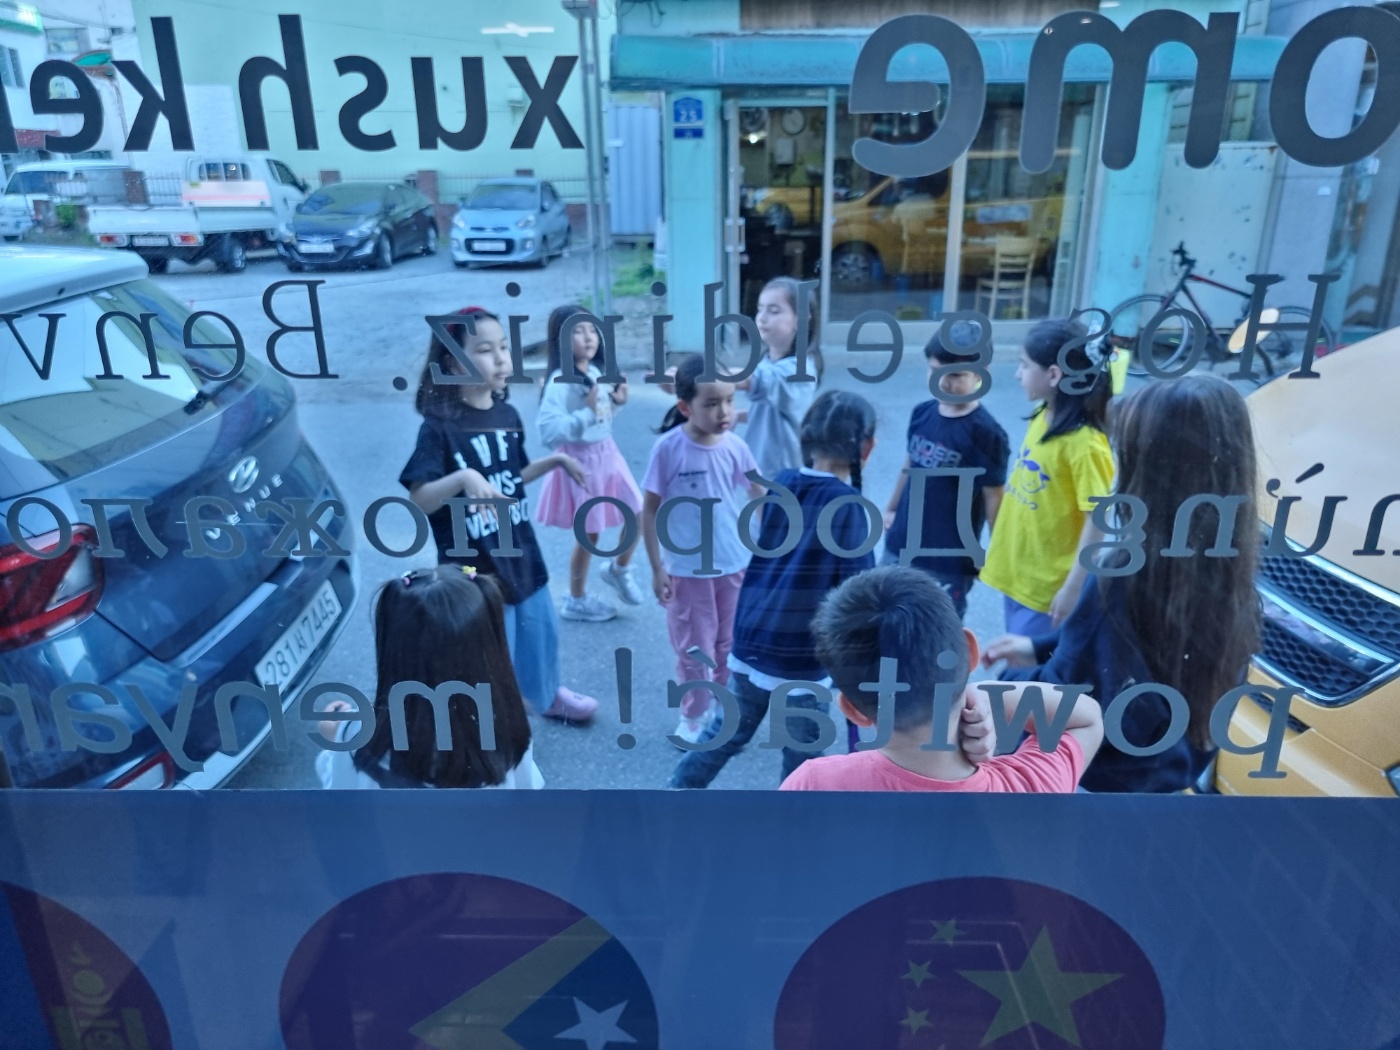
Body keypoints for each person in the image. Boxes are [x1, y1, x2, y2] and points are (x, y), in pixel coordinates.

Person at [983, 374, 1261, 793]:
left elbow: (1065, 693)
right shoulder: (1230, 564)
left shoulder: (1121, 578)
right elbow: (1134, 648)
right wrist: (1039, 646)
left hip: (1099, 781)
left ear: (1147, 472)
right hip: (1170, 771)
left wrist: (999, 687)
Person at [669, 390, 878, 788]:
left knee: (723, 735)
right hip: (802, 655)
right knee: (802, 756)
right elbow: (857, 591)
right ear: (866, 447)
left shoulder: (782, 483)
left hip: (753, 640)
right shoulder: (849, 506)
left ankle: (674, 795)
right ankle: (792, 815)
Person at [399, 306, 599, 723]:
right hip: (474, 569)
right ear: (454, 361)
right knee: (490, 654)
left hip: (521, 554)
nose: (502, 358)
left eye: (504, 347)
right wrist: (463, 477)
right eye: (485, 350)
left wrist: (555, 462)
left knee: (539, 635)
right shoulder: (438, 428)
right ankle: (492, 724)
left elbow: (510, 477)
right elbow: (421, 499)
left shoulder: (507, 415)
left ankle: (546, 696)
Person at [780, 566, 1103, 792]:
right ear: (970, 651)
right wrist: (985, 698)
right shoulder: (1030, 787)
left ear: (853, 710)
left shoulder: (814, 786)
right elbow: (1084, 717)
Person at [316, 565, 543, 789]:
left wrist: (337, 737)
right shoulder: (509, 730)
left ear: (392, 653)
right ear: (492, 650)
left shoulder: (358, 737)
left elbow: (341, 796)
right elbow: (527, 794)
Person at [642, 353, 765, 744]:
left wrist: (769, 548)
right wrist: (657, 568)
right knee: (694, 649)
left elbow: (759, 495)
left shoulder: (736, 446)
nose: (724, 411)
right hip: (687, 571)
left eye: (729, 400)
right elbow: (649, 511)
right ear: (685, 407)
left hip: (735, 565)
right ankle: (693, 715)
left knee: (730, 645)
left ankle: (722, 708)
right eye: (711, 403)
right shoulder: (668, 449)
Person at [979, 318, 1115, 635]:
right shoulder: (1043, 414)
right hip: (1021, 574)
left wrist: (1073, 589)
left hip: (1048, 591)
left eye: (1025, 365)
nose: (1017, 374)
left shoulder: (1085, 445)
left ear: (1054, 375)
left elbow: (1098, 520)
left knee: (1026, 662)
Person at [882, 332, 1010, 620]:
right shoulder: (922, 413)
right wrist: (891, 508)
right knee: (886, 617)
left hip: (948, 557)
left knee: (936, 627)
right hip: (901, 543)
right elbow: (910, 461)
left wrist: (996, 554)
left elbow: (994, 496)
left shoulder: (986, 433)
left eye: (955, 375)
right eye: (934, 370)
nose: (942, 382)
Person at [534, 303, 645, 623]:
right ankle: (576, 599)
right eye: (578, 331)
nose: (588, 337)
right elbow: (549, 432)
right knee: (590, 534)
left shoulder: (595, 372)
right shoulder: (560, 381)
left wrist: (618, 402)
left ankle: (619, 569)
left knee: (639, 513)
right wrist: (588, 411)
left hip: (608, 454)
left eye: (592, 330)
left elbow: (602, 417)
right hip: (582, 462)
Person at [735, 276, 824, 478]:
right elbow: (772, 413)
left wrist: (703, 376)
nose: (762, 317)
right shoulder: (767, 361)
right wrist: (737, 416)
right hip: (760, 469)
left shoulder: (800, 371)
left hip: (782, 476)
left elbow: (752, 380)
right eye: (760, 309)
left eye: (774, 311)